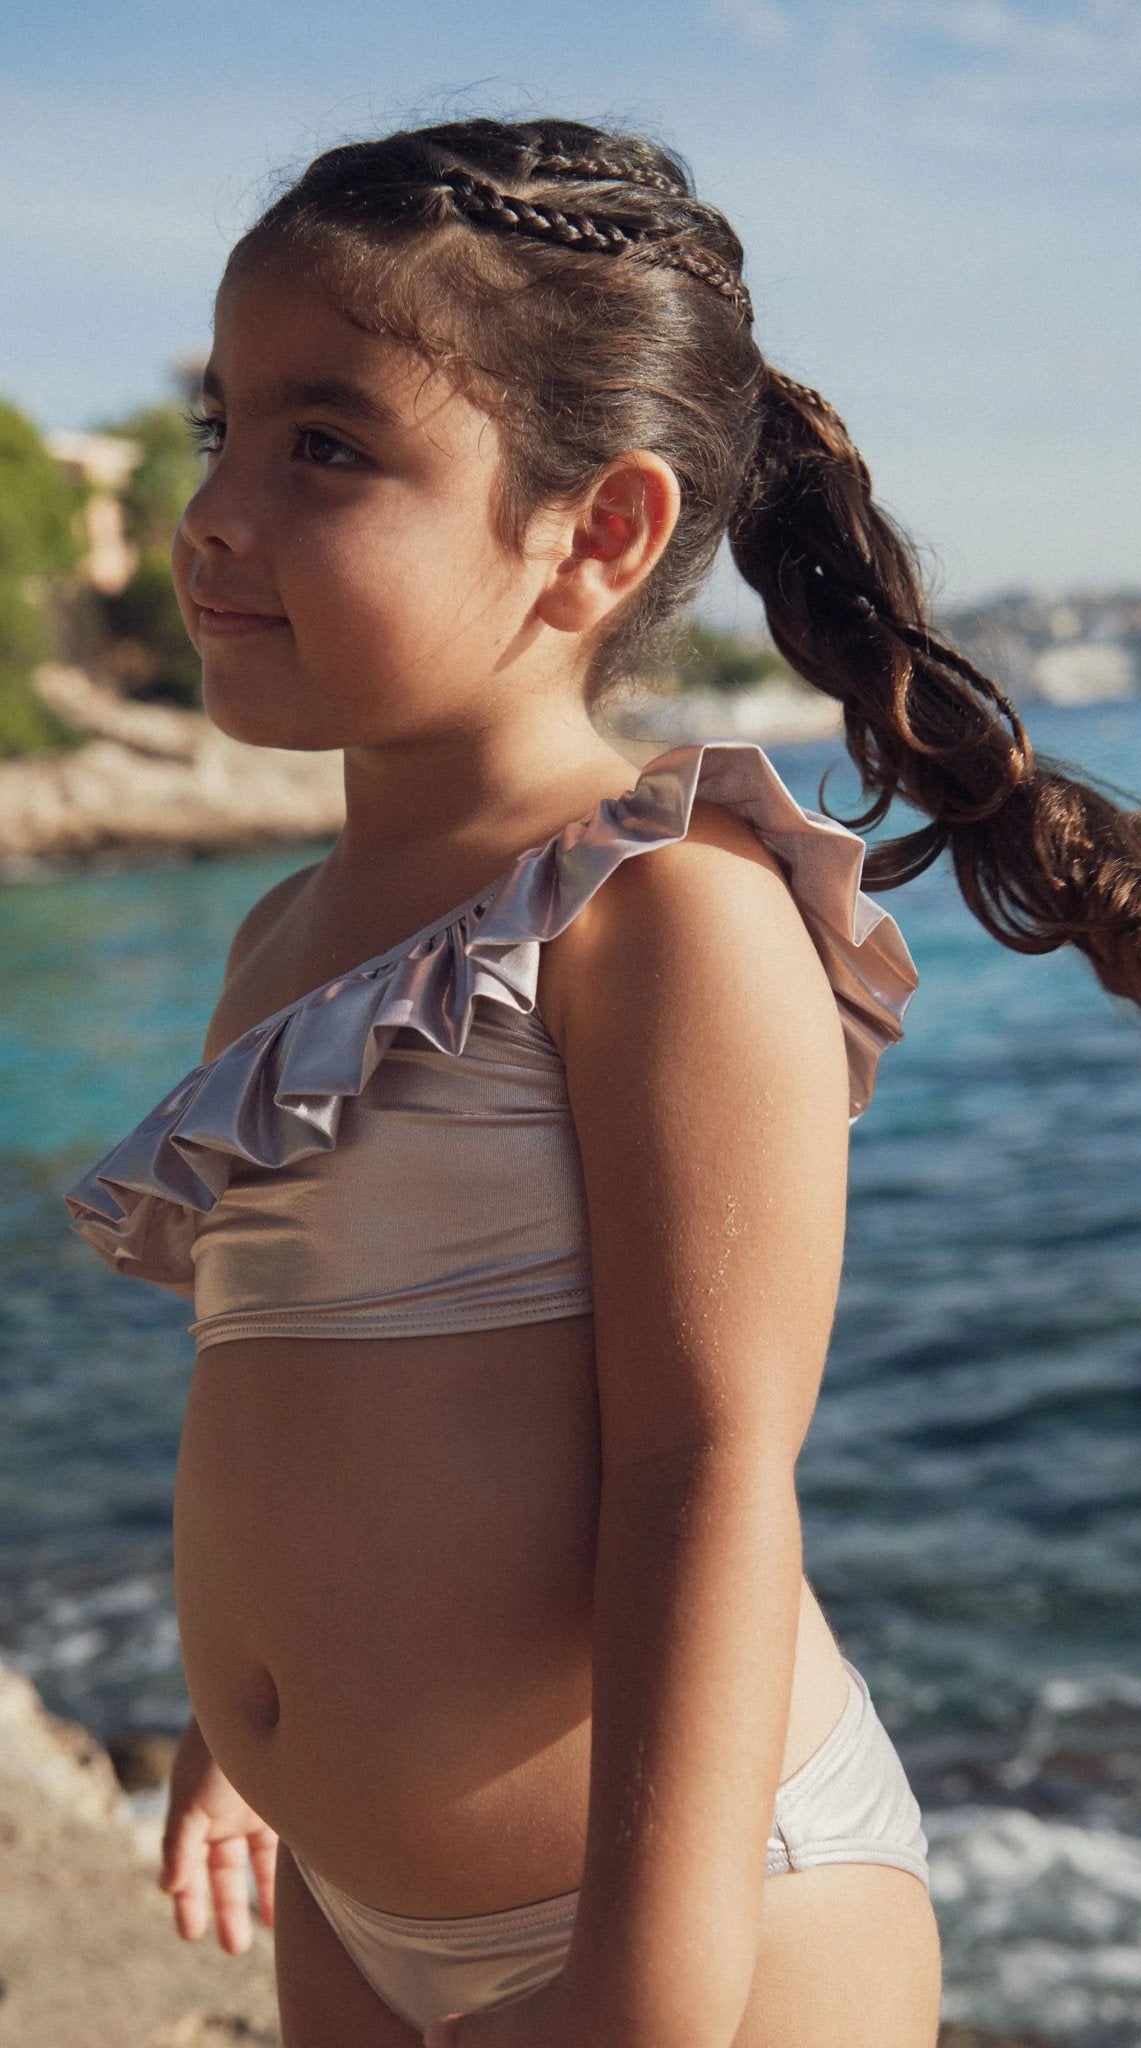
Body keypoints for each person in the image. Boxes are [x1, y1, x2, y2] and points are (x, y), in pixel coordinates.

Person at [65, 117, 1141, 2048]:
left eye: (324, 446)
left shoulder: (659, 915)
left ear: (600, 533)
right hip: (354, 1893)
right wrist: (248, 1726)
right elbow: (297, 1385)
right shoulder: (281, 942)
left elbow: (703, 1471)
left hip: (692, 1932)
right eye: (219, 427)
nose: (217, 508)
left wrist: (652, 1993)